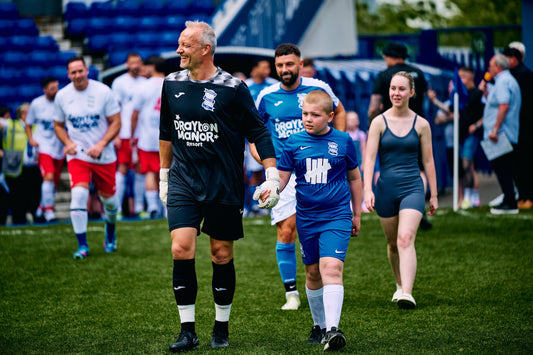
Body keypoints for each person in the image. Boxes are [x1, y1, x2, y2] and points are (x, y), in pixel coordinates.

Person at [158, 20, 278, 352]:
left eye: (185, 44)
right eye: (179, 43)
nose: (178, 50)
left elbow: (258, 134)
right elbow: (166, 133)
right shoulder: (170, 84)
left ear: (205, 49)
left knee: (220, 254)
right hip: (183, 180)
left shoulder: (234, 88)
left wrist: (272, 176)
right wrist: (164, 176)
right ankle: (187, 330)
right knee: (181, 248)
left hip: (223, 184)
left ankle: (221, 327)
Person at [252, 43, 346, 311]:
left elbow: (339, 111)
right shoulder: (266, 96)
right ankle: (291, 293)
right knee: (287, 229)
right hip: (284, 173)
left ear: (300, 65)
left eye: (290, 64)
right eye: (280, 65)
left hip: (318, 170)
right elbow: (254, 135)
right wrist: (269, 164)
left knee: (317, 231)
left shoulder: (318, 88)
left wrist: (336, 146)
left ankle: (323, 281)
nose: (285, 70)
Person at [266, 90, 362, 351]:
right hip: (306, 218)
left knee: (330, 267)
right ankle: (319, 326)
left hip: (337, 215)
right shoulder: (292, 142)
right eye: (305, 114)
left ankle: (333, 329)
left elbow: (354, 177)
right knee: (311, 273)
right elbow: (283, 178)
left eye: (315, 115)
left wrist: (356, 213)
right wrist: (271, 190)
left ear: (330, 116)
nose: (308, 119)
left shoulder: (343, 141)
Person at [364, 71, 438, 309]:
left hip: (413, 187)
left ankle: (407, 292)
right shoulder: (378, 122)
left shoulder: (422, 124)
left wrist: (434, 194)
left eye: (402, 89)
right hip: (385, 189)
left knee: (405, 238)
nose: (396, 93)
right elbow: (369, 159)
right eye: (393, 88)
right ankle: (398, 285)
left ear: (411, 93)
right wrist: (368, 190)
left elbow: (428, 161)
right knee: (392, 243)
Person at [54, 56, 121, 259]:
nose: (77, 75)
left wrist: (101, 144)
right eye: (73, 72)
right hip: (79, 156)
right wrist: (68, 143)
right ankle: (82, 246)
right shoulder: (62, 96)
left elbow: (116, 122)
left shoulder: (103, 92)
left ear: (87, 70)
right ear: (68, 74)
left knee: (111, 204)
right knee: (79, 196)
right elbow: (58, 125)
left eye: (80, 71)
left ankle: (110, 228)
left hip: (104, 156)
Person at [367, 41, 432, 230]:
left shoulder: (386, 75)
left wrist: (372, 124)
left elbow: (374, 104)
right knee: (419, 168)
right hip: (416, 127)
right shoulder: (418, 73)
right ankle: (420, 207)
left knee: (390, 168)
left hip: (390, 129)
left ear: (389, 56)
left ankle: (405, 206)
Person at [478, 54, 521, 215]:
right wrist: (486, 93)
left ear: (498, 66)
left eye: (490, 65)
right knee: (503, 168)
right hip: (505, 132)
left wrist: (495, 129)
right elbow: (496, 104)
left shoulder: (503, 81)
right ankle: (509, 199)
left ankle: (509, 201)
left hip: (501, 133)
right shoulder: (505, 81)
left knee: (502, 168)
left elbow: (504, 106)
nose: (488, 69)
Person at [111, 53, 147, 219]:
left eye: (138, 62)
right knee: (123, 168)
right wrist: (116, 134)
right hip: (125, 133)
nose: (135, 65)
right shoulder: (119, 83)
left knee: (141, 170)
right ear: (127, 64)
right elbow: (114, 110)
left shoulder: (145, 83)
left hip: (143, 134)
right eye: (132, 62)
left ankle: (139, 207)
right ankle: (117, 208)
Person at [25, 77, 65, 222]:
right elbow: (28, 124)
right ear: (45, 89)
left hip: (59, 146)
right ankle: (49, 212)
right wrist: (31, 139)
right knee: (48, 176)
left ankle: (40, 208)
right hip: (44, 146)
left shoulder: (63, 102)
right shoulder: (37, 104)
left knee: (53, 182)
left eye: (57, 88)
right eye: (52, 89)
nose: (56, 91)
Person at [131, 56, 165, 219]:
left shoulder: (143, 87)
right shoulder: (171, 83)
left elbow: (135, 114)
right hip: (168, 137)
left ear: (152, 67)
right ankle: (167, 207)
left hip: (147, 137)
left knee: (150, 172)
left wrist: (132, 135)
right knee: (168, 172)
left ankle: (152, 206)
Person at [243, 59, 279, 216]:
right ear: (254, 68)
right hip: (251, 138)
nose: (268, 71)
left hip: (271, 136)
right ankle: (256, 204)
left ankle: (271, 200)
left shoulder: (273, 85)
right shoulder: (245, 86)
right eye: (264, 67)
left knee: (271, 170)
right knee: (254, 172)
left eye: (269, 68)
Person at [503, 46, 533, 209]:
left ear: (514, 59)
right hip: (520, 127)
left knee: (523, 163)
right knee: (519, 163)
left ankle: (527, 196)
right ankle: (523, 195)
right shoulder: (517, 75)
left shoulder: (522, 75)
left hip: (524, 128)